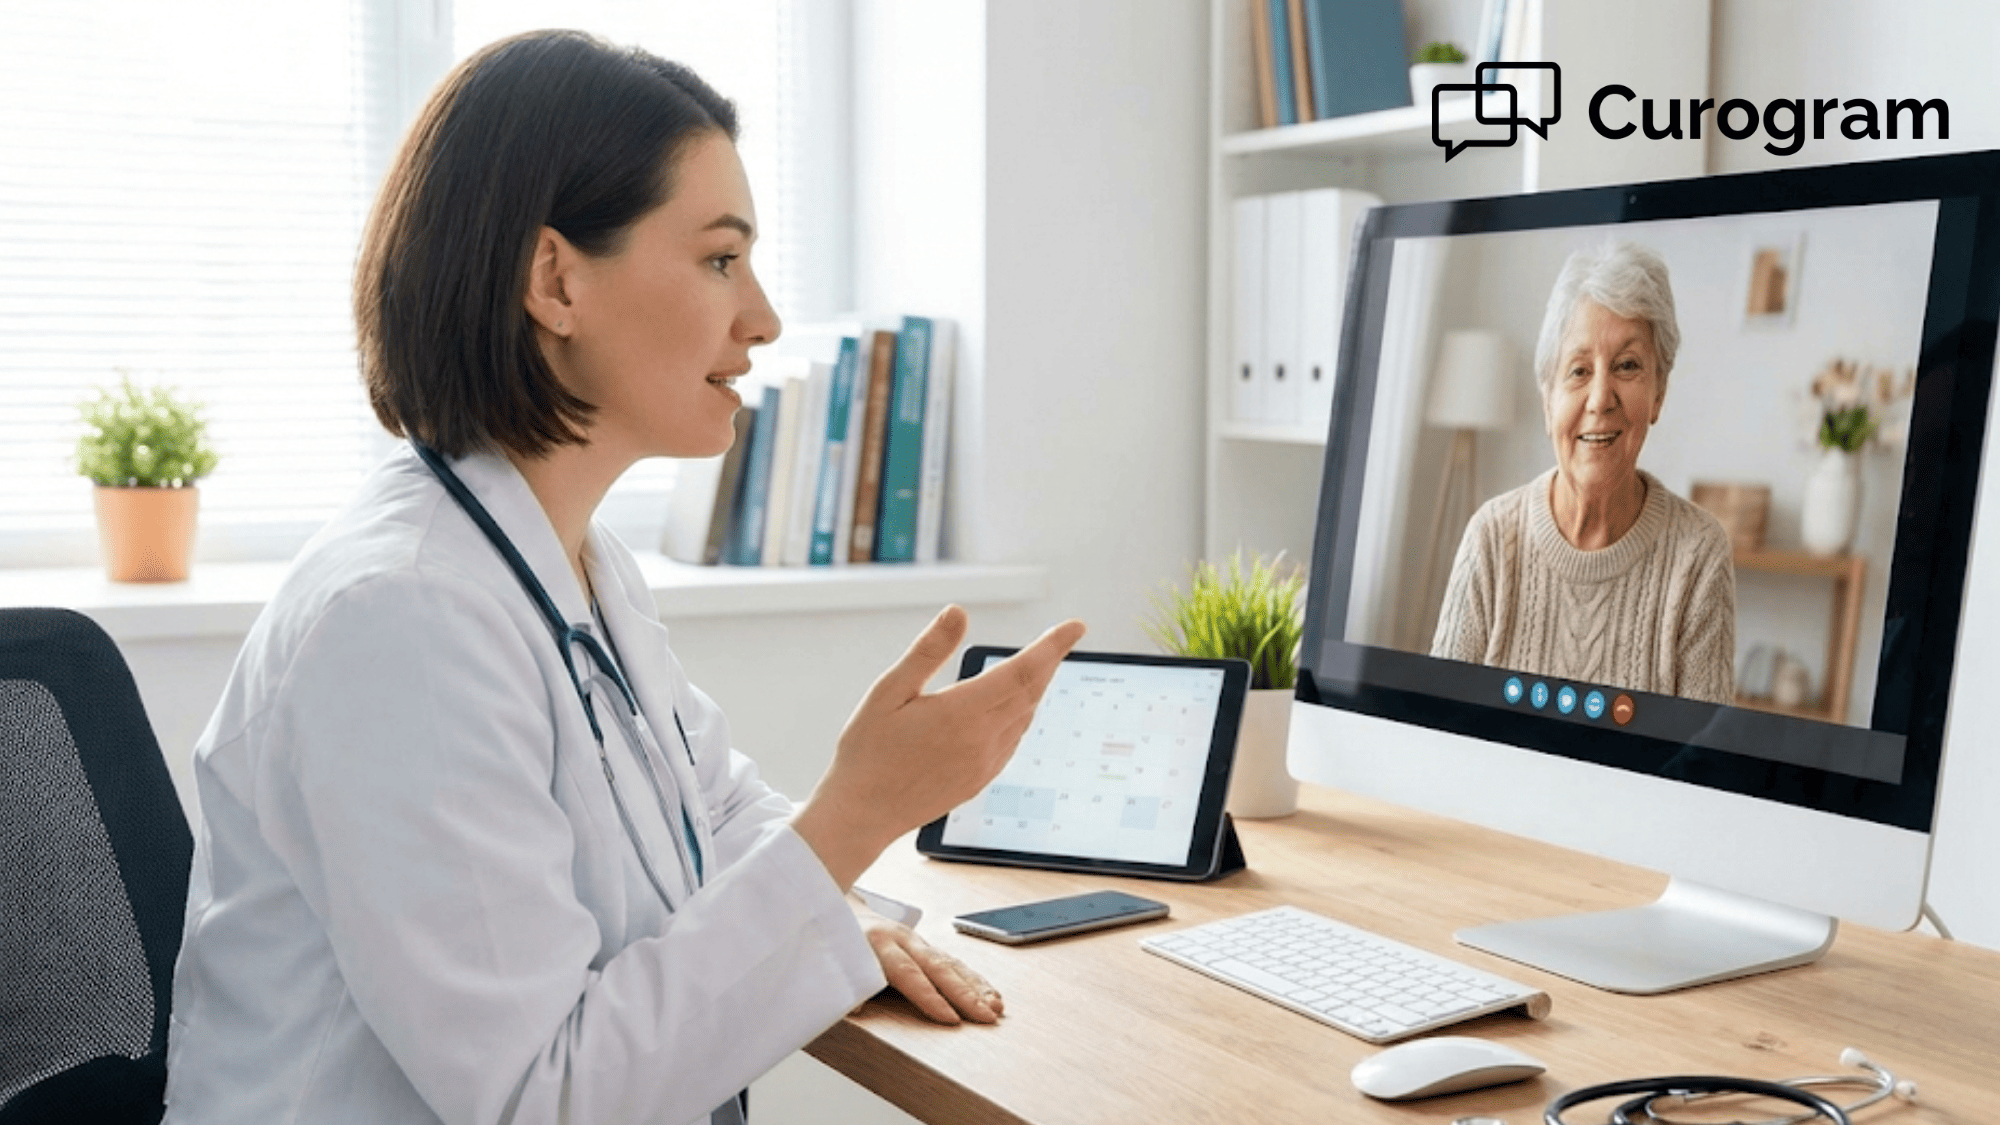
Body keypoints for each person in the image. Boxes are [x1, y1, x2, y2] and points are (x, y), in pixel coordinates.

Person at [163, 30, 1085, 1125]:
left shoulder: (570, 555)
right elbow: (542, 1102)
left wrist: (840, 908)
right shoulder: (401, 619)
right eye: (717, 259)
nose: (763, 318)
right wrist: (860, 811)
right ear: (554, 279)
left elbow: (713, 803)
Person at [1430, 240, 1735, 705]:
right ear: (1547, 397)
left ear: (1658, 393)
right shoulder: (1491, 538)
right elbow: (1439, 736)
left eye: (1628, 366)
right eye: (1578, 371)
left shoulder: (1698, 555)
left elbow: (1699, 765)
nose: (1599, 399)